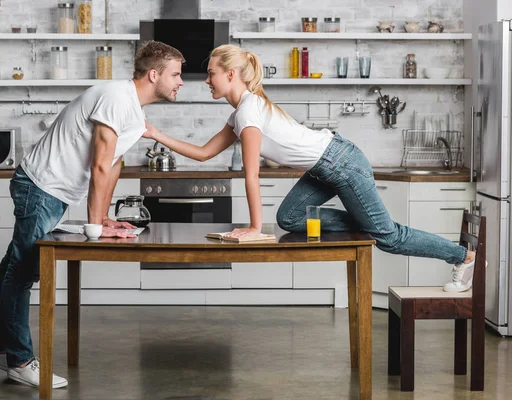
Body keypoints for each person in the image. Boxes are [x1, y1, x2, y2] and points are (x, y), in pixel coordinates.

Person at [143, 44, 476, 294]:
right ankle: (370, 224)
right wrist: (156, 133)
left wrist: (255, 227)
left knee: (387, 238)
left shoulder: (248, 111)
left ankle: (462, 256)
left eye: (211, 73)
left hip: (341, 163)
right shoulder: (241, 112)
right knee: (290, 219)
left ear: (230, 75)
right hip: (327, 166)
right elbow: (203, 154)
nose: (206, 80)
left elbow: (251, 173)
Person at [0, 41, 185, 388]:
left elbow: (115, 164)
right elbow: (100, 164)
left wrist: (103, 217)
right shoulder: (116, 97)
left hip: (51, 190)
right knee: (24, 268)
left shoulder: (133, 112)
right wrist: (93, 225)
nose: (181, 82)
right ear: (154, 74)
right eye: (176, 74)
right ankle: (19, 360)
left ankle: (0, 346)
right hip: (40, 186)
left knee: (14, 263)